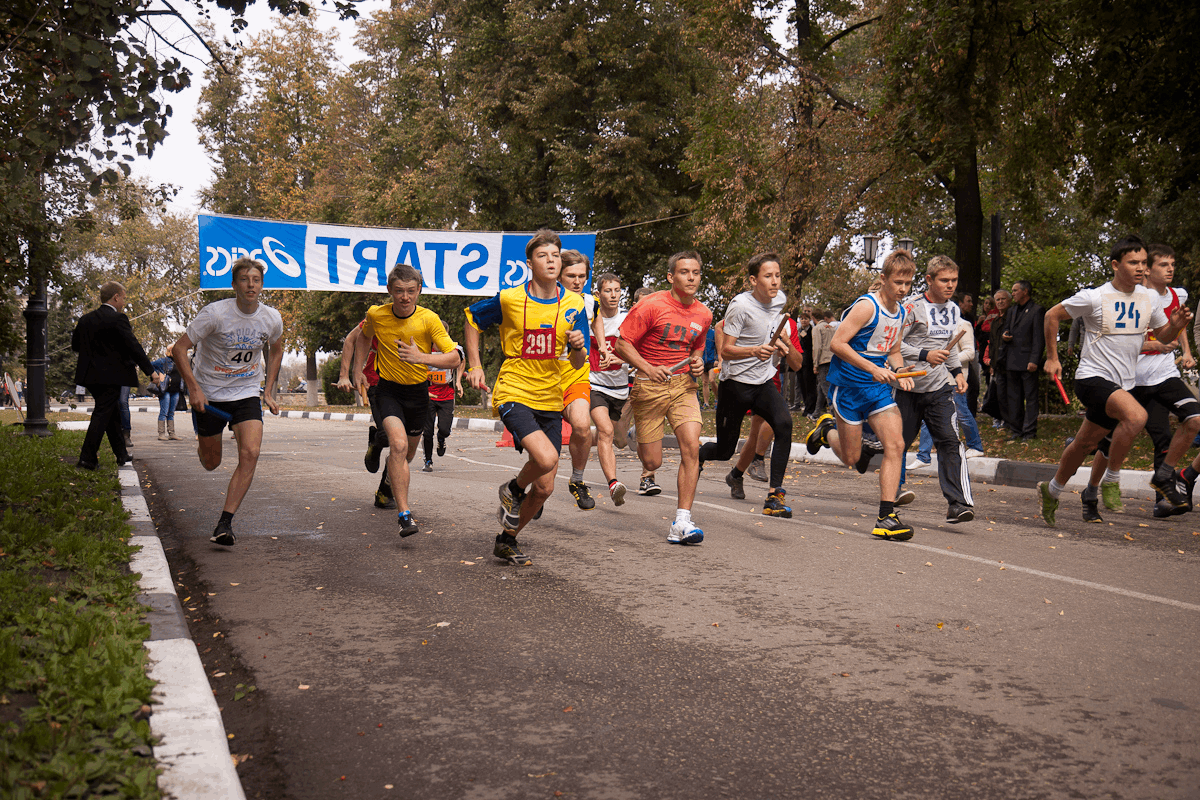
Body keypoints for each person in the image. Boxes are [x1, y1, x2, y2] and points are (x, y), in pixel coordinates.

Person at [1037, 235, 1192, 527]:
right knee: (1137, 416)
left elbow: (1162, 336)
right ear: (1115, 265)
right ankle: (1112, 479)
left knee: (1084, 444)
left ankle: (1053, 489)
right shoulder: (1094, 297)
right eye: (1133, 262)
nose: (1140, 268)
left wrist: (1175, 325)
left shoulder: (1148, 298)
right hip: (1092, 378)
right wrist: (1052, 357)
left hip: (1122, 383)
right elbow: (1052, 315)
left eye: (1144, 262)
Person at [464, 230, 589, 565]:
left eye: (555, 255)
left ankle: (507, 539)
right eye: (543, 255)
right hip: (514, 389)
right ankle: (513, 490)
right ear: (529, 262)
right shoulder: (509, 299)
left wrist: (577, 346)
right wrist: (475, 365)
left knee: (546, 487)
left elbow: (579, 361)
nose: (551, 261)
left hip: (550, 395)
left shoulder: (575, 305)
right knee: (546, 459)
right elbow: (473, 318)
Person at [1080, 242, 1198, 520]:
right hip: (1134, 380)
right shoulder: (1132, 298)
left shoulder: (1175, 295)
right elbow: (1127, 340)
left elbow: (1172, 331)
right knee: (1107, 443)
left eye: (1172, 265)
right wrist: (1155, 345)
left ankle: (1164, 492)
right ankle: (1091, 491)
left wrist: (1185, 346)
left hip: (1165, 375)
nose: (1169, 269)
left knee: (1187, 424)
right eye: (1162, 265)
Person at [171, 258, 284, 546]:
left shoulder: (271, 318)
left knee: (251, 452)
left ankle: (225, 523)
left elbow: (276, 349)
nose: (250, 284)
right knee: (212, 462)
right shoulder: (214, 314)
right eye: (244, 279)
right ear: (234, 284)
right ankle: (204, 444)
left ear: (261, 285)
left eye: (256, 279)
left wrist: (267, 390)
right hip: (209, 395)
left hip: (246, 392)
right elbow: (181, 350)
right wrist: (193, 389)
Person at [805, 249, 916, 540]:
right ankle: (826, 429)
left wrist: (901, 370)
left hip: (878, 391)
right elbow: (838, 344)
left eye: (908, 283)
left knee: (896, 445)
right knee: (852, 459)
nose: (903, 289)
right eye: (897, 283)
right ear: (883, 278)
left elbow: (892, 350)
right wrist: (871, 368)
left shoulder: (902, 312)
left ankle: (886, 516)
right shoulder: (868, 306)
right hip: (849, 389)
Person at [354, 264, 462, 536]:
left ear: (419, 291)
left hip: (417, 393)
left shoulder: (429, 319)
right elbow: (363, 338)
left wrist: (421, 357)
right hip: (387, 390)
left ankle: (384, 484)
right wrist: (358, 371)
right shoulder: (376, 315)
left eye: (411, 291)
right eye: (399, 291)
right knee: (400, 446)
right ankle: (404, 514)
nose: (405, 297)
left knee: (408, 453)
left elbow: (455, 357)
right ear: (390, 290)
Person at [615, 251, 712, 545]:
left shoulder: (704, 314)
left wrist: (697, 362)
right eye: (684, 272)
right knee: (652, 462)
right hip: (648, 385)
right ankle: (636, 434)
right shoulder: (651, 305)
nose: (691, 277)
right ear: (671, 277)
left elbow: (696, 348)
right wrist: (647, 366)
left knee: (691, 447)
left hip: (683, 386)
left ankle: (681, 521)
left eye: (696, 272)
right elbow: (622, 344)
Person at [697, 253, 798, 517]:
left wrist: (782, 345)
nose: (774, 282)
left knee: (784, 424)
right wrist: (755, 350)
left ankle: (775, 496)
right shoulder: (740, 306)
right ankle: (699, 456)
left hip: (763, 382)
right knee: (724, 449)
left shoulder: (781, 301)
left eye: (777, 275)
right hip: (735, 385)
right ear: (754, 280)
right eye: (768, 276)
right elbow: (727, 351)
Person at [894, 256, 975, 524]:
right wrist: (924, 354)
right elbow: (893, 345)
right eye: (944, 280)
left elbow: (948, 346)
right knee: (897, 445)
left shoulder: (953, 309)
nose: (950, 285)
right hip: (907, 387)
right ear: (929, 280)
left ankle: (958, 503)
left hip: (939, 388)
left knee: (950, 442)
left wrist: (957, 373)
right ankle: (891, 492)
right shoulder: (911, 307)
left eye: (953, 280)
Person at [72, 281, 154, 470]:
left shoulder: (85, 319)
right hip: (111, 377)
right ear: (116, 297)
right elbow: (133, 346)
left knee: (112, 412)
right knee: (103, 413)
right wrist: (150, 371)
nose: (124, 303)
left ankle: (122, 455)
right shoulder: (118, 319)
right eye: (123, 298)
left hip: (89, 376)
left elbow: (76, 346)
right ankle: (87, 458)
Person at [557, 250, 607, 510]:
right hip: (545, 374)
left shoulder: (590, 301)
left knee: (581, 426)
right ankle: (533, 487)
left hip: (576, 370)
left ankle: (577, 479)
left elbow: (597, 316)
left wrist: (602, 344)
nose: (577, 281)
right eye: (571, 276)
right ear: (558, 275)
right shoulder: (546, 299)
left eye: (582, 277)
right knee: (546, 446)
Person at [336, 318, 398, 510]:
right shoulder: (378, 317)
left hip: (407, 387)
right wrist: (345, 375)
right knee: (390, 437)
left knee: (405, 444)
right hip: (376, 383)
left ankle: (384, 492)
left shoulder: (424, 319)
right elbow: (350, 340)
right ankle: (377, 442)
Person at [912, 316, 985, 463]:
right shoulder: (934, 326)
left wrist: (948, 358)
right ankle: (923, 455)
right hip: (935, 378)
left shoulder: (963, 324)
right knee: (929, 414)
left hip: (954, 378)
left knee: (961, 412)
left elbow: (970, 352)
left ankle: (975, 446)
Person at [588, 271, 632, 505]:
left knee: (619, 440)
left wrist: (620, 360)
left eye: (617, 290)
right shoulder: (588, 319)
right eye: (608, 290)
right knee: (605, 430)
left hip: (620, 389)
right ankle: (614, 484)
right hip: (594, 384)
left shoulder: (628, 320)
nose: (613, 295)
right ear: (598, 293)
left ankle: (583, 436)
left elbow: (641, 354)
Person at [1002, 280, 1045, 440]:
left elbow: (1039, 337)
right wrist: (1005, 335)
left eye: (1015, 290)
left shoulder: (1037, 310)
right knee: (1014, 398)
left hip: (1028, 362)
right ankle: (1016, 430)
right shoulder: (1012, 310)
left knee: (1031, 398)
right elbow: (1008, 328)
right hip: (1012, 360)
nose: (1012, 293)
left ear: (1025, 291)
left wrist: (1034, 359)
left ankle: (1029, 432)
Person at [421, 339, 464, 472]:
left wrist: (458, 381)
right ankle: (428, 460)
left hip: (447, 395)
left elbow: (462, 361)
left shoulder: (453, 349)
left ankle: (441, 438)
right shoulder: (424, 350)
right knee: (427, 431)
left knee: (445, 429)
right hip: (428, 395)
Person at [150, 353, 183, 441]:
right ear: (169, 352)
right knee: (164, 412)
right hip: (165, 390)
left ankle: (172, 434)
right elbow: (150, 365)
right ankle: (161, 434)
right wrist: (157, 375)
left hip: (175, 390)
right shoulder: (162, 361)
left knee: (171, 412)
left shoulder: (180, 361)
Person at [812, 308, 837, 417]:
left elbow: (817, 347)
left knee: (826, 388)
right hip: (834, 360)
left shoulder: (817, 328)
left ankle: (835, 413)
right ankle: (817, 412)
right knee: (821, 387)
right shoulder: (832, 327)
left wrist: (815, 363)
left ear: (813, 318)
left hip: (823, 361)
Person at [701, 326, 719, 409]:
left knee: (712, 380)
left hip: (713, 362)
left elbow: (719, 347)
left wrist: (717, 359)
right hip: (703, 362)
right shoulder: (699, 333)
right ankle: (706, 403)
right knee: (704, 382)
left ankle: (717, 399)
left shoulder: (713, 333)